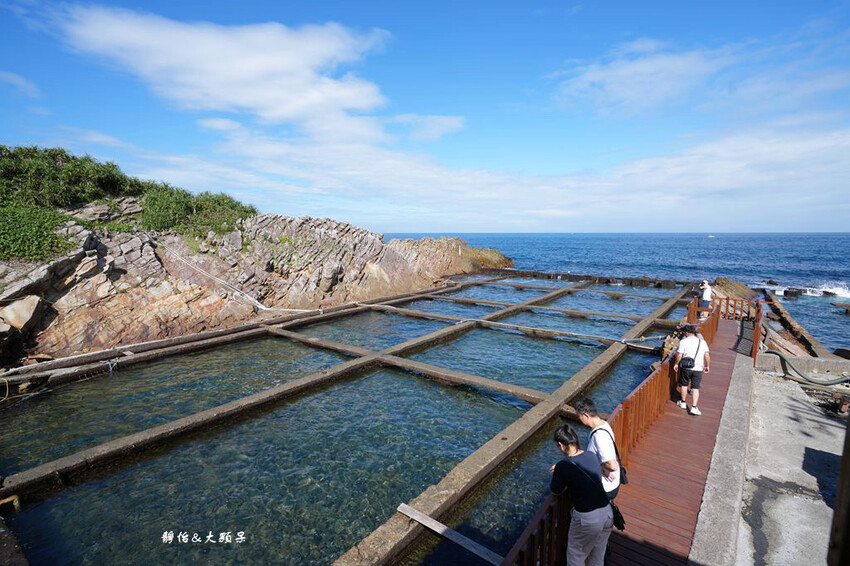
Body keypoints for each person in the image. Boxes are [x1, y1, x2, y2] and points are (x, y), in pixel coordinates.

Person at [550, 424, 614, 566]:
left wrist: (559, 470)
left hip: (587, 519)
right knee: (597, 557)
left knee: (576, 556)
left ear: (561, 445)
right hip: (607, 513)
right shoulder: (591, 455)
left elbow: (556, 490)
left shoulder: (563, 466)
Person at [574, 397, 621, 499]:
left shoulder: (599, 436)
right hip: (613, 482)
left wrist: (601, 466)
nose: (579, 419)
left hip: (606, 488)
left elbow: (612, 466)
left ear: (586, 415)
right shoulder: (604, 424)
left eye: (579, 416)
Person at [673, 324, 710, 415]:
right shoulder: (702, 342)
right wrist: (707, 365)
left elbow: (679, 355)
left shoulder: (684, 342)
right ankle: (694, 407)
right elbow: (707, 355)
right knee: (696, 388)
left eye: (684, 332)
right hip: (698, 368)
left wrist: (676, 364)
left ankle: (683, 402)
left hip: (686, 367)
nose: (683, 334)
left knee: (684, 385)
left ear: (687, 332)